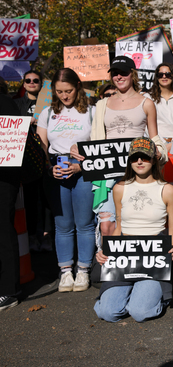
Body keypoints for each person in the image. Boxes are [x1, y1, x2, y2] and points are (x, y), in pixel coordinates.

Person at [70, 56, 167, 239]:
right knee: (107, 225)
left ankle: (134, 265)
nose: (119, 77)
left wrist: (158, 151)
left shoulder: (146, 103)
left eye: (123, 73)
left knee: (135, 221)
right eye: (115, 73)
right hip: (107, 173)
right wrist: (77, 147)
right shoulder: (102, 104)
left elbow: (154, 137)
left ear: (132, 74)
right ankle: (111, 265)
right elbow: (95, 138)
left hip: (137, 170)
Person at [94, 137, 173, 322]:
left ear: (154, 159)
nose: (139, 161)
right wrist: (105, 252)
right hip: (124, 254)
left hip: (153, 254)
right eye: (135, 157)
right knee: (107, 312)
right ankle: (132, 293)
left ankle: (153, 295)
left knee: (140, 313)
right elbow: (119, 227)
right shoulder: (119, 188)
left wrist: (172, 248)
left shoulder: (167, 190)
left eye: (145, 157)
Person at [37, 68, 97, 292]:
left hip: (83, 167)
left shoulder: (91, 111)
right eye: (60, 91)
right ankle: (65, 272)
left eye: (69, 90)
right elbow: (42, 146)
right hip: (57, 166)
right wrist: (49, 167)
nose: (64, 96)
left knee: (84, 223)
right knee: (62, 224)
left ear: (78, 87)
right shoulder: (46, 113)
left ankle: (83, 270)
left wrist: (81, 165)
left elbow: (98, 143)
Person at [15, 70, 52, 252]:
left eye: (35, 80)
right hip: (25, 158)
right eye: (27, 80)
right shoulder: (16, 104)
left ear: (41, 83)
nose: (31, 83)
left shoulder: (49, 103)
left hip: (46, 154)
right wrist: (25, 121)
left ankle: (46, 235)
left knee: (47, 197)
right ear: (23, 84)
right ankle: (30, 236)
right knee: (29, 198)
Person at [145, 50, 173, 187]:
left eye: (168, 74)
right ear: (156, 77)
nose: (164, 76)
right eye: (160, 74)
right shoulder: (147, 98)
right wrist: (161, 145)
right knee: (158, 186)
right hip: (157, 147)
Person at [0, 93, 23, 311]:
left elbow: (13, 145)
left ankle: (8, 290)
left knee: (3, 231)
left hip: (4, 178)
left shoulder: (4, 102)